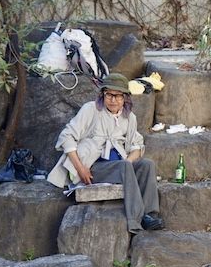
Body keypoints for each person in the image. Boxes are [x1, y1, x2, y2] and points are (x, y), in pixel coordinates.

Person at [47, 73, 164, 233]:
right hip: (93, 169)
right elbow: (67, 137)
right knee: (124, 167)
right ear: (103, 94)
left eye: (118, 96)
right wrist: (80, 168)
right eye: (109, 94)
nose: (113, 100)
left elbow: (137, 146)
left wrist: (128, 163)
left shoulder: (129, 117)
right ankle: (136, 220)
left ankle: (151, 214)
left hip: (119, 167)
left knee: (146, 164)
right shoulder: (91, 110)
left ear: (125, 98)